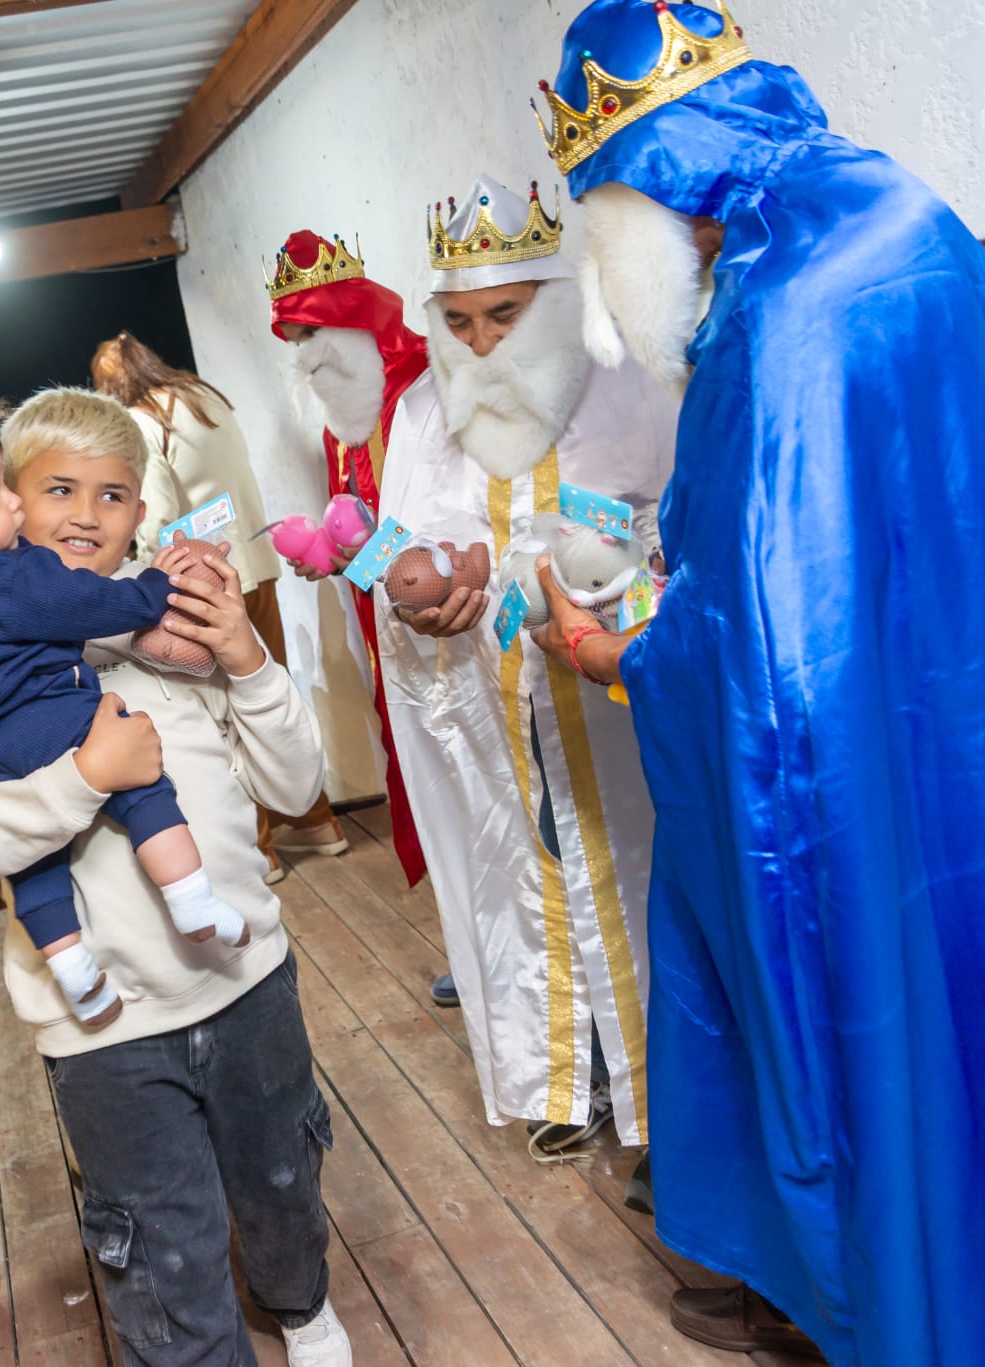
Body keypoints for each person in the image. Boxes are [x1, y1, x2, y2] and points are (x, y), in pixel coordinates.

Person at [525, 4, 985, 1363]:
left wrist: (610, 650)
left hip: (864, 782)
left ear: (652, 184)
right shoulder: (904, 220)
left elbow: (768, 657)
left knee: (891, 1044)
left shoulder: (780, 317)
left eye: (609, 217)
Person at [0, 387, 350, 1365]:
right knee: (159, 1240)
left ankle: (300, 1302)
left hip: (245, 981)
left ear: (139, 512)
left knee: (281, 1178)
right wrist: (81, 780)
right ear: (9, 504)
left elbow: (294, 784)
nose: (83, 514)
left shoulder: (182, 621)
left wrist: (247, 659)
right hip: (103, 1029)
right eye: (56, 488)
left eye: (110, 494)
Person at [364, 173, 676, 1176]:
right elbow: (384, 550)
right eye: (458, 321)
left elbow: (677, 527)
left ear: (550, 296)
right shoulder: (421, 411)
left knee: (631, 869)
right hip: (483, 697)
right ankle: (562, 1077)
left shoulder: (628, 382)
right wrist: (414, 599)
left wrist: (622, 576)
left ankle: (664, 1092)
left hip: (609, 689)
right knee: (517, 873)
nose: (481, 341)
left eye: (504, 313)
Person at [0, 408, 252, 1030]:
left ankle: (77, 976)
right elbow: (85, 603)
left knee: (31, 863)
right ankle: (193, 900)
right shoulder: (10, 575)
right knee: (143, 787)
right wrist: (153, 589)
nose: (12, 504)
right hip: (47, 715)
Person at [92, 330, 348, 877]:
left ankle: (261, 850)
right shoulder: (202, 397)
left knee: (228, 716)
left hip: (203, 579)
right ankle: (318, 822)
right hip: (253, 566)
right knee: (269, 696)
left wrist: (143, 576)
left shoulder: (143, 421)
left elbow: (157, 513)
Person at [267, 229, 432, 889]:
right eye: (294, 341)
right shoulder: (342, 421)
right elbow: (365, 530)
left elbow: (454, 521)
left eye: (312, 334)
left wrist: (359, 557)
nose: (304, 358)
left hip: (456, 615)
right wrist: (334, 559)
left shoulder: (423, 394)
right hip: (388, 623)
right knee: (415, 754)